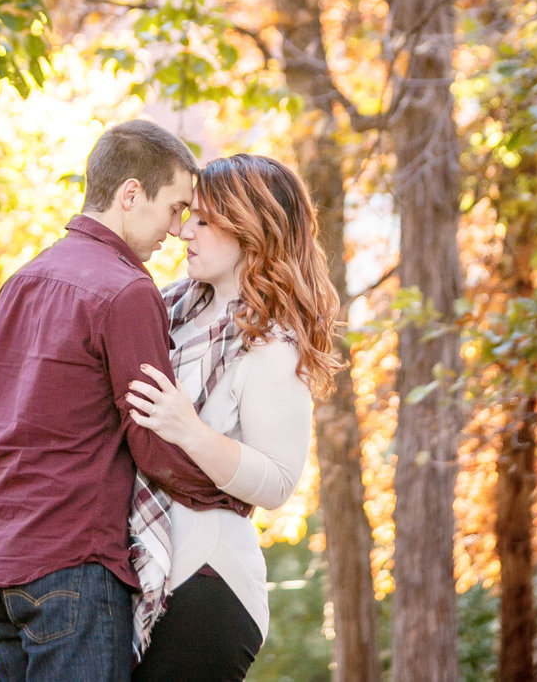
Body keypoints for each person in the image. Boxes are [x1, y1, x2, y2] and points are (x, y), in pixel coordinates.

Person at [0, 118, 251, 682]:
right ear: (130, 194)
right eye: (174, 208)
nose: (177, 230)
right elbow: (153, 438)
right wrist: (229, 493)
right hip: (71, 562)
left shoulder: (21, 281)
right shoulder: (127, 290)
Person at [126, 153, 341, 682]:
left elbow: (277, 482)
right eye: (187, 216)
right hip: (147, 571)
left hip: (208, 585)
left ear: (251, 227)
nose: (184, 232)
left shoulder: (271, 343)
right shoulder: (167, 309)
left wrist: (189, 431)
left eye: (204, 219)